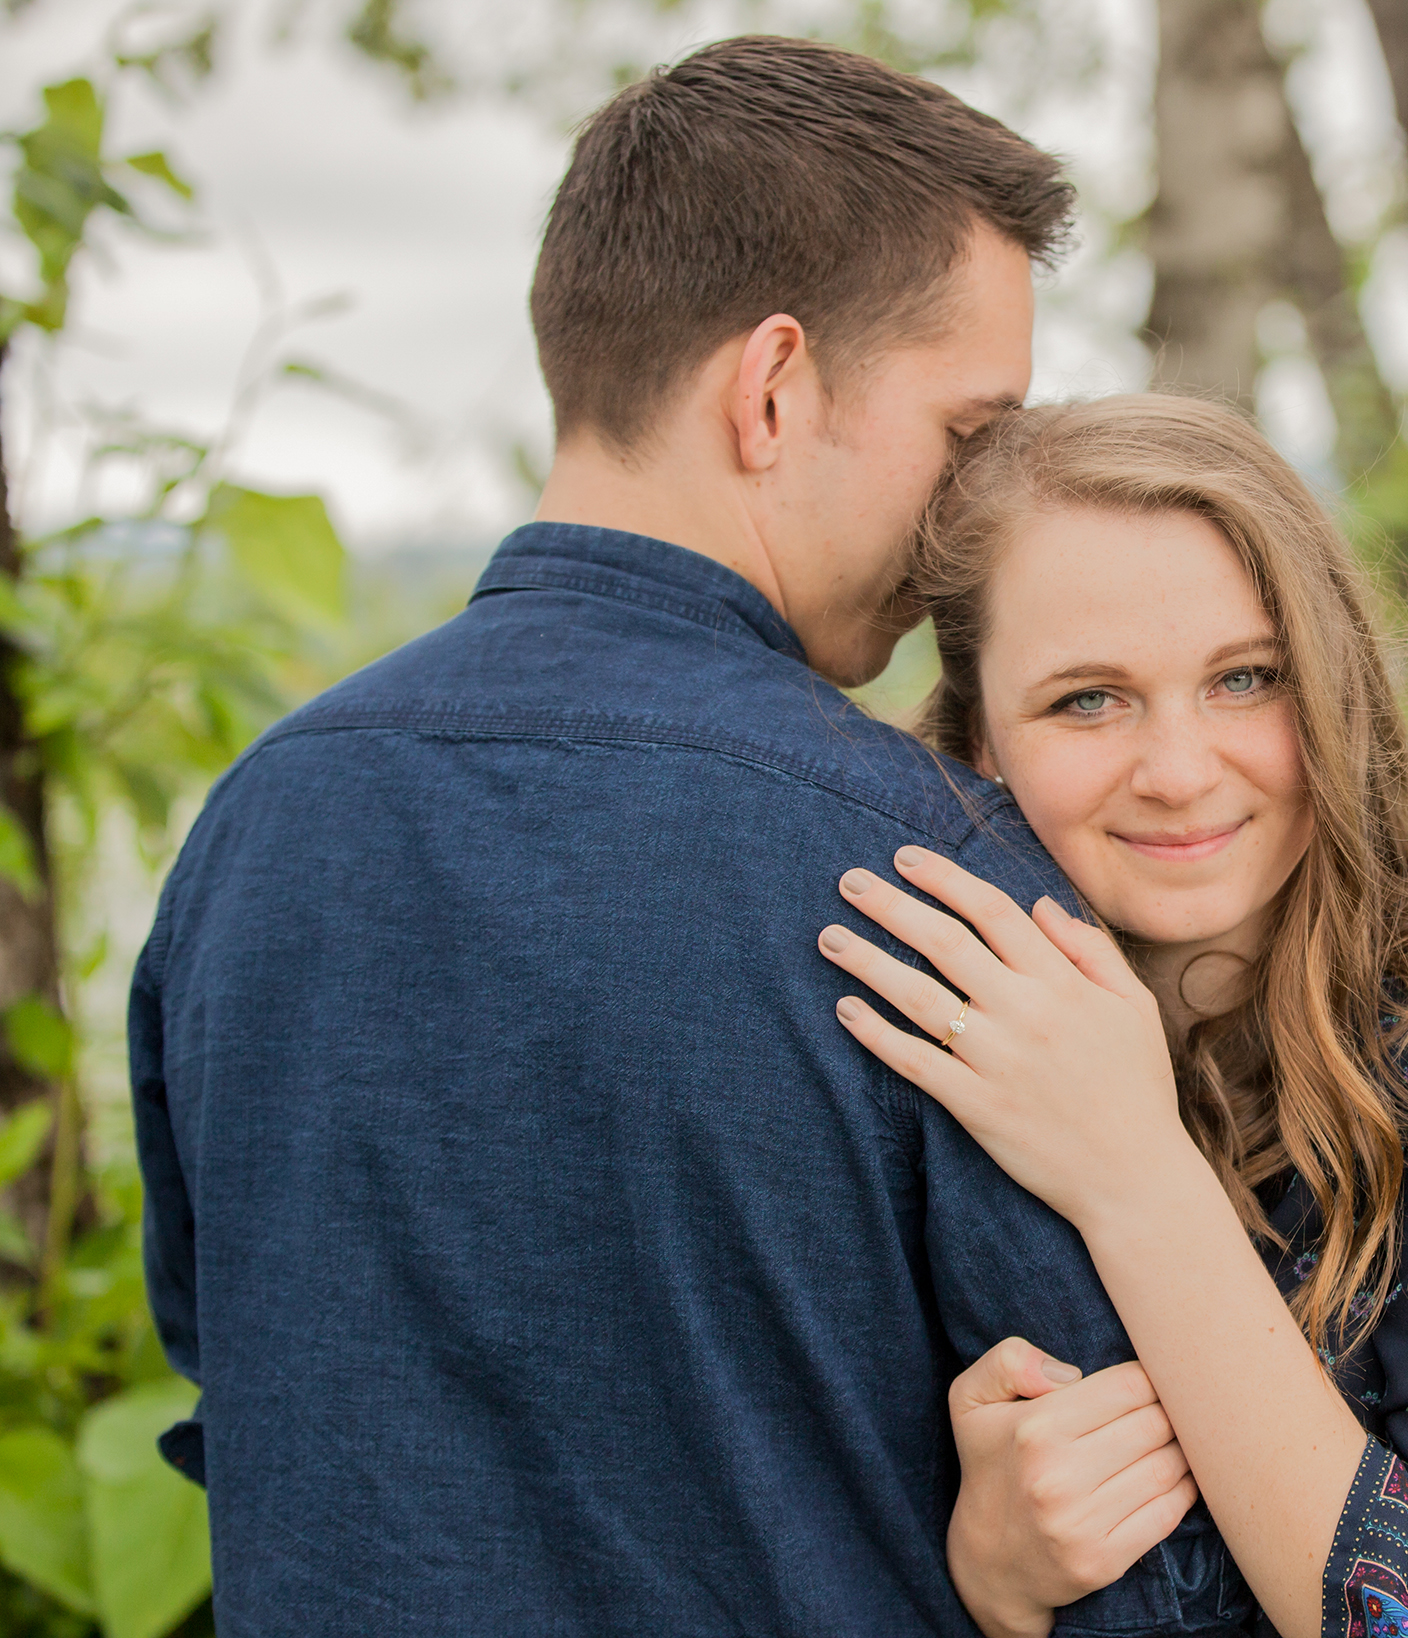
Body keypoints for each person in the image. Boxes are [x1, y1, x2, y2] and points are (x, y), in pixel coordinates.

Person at [128, 41, 1250, 1636]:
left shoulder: (255, 829)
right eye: (967, 428)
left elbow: (228, 1368)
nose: (969, 513)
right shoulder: (934, 879)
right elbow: (1138, 1550)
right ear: (774, 389)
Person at [818, 395, 1408, 1638]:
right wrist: (987, 1580)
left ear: (1333, 683)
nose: (1183, 770)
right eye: (1089, 700)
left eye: (1246, 679)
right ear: (977, 739)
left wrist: (1136, 1177)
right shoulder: (937, 1059)